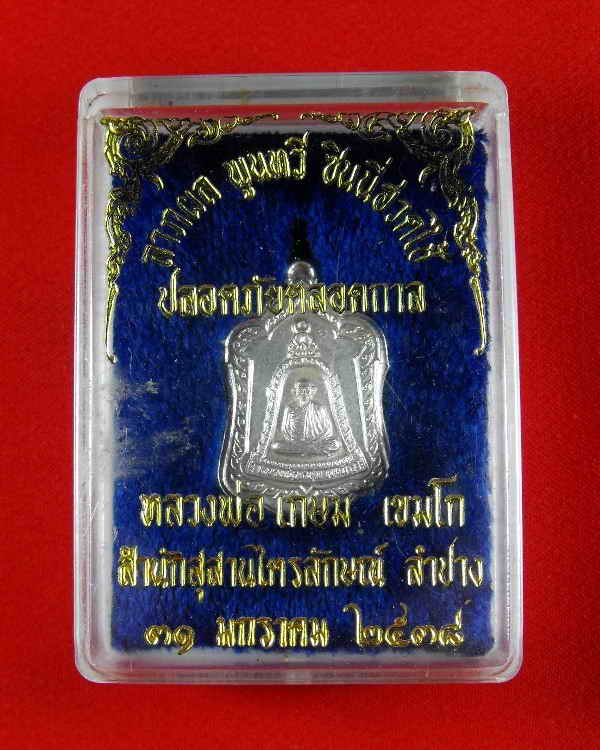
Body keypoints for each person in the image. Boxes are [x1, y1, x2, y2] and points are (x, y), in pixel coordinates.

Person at [271, 378, 341, 457]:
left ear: (312, 392)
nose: (304, 394)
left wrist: (315, 442)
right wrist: (296, 441)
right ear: (295, 392)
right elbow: (285, 430)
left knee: (336, 444)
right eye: (301, 391)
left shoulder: (319, 407)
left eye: (307, 391)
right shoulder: (290, 408)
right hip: (296, 443)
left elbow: (327, 430)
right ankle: (311, 450)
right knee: (276, 446)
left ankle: (303, 450)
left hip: (316, 442)